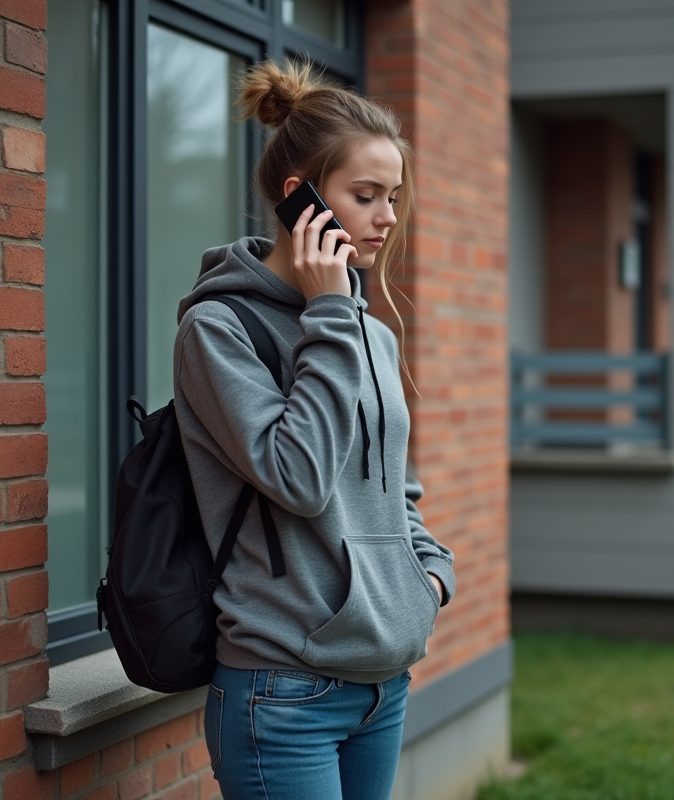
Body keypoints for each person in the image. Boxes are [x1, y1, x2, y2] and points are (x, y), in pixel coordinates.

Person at [172, 59, 455, 800]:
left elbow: (396, 489)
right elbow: (297, 478)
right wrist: (330, 312)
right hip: (282, 691)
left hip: (382, 684)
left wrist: (429, 578)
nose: (387, 217)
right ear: (303, 200)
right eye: (366, 196)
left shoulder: (371, 335)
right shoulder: (219, 329)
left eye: (393, 196)